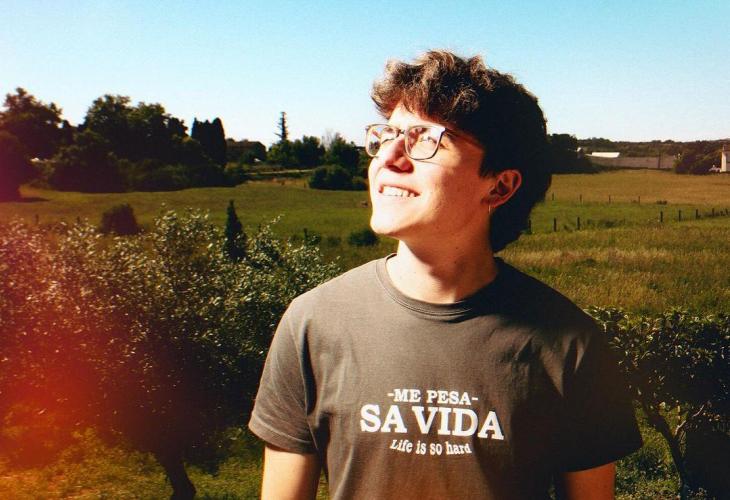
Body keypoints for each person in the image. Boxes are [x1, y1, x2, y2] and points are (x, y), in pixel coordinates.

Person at [248, 50, 642, 499]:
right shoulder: (312, 323)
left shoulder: (570, 344)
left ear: (500, 185)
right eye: (388, 134)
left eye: (425, 139)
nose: (389, 157)